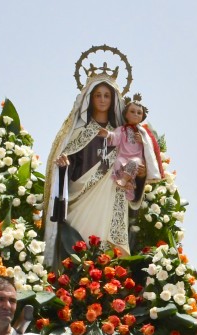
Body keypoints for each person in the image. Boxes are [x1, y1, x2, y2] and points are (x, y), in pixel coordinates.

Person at [46, 75, 137, 259]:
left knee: (107, 253)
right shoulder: (78, 133)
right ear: (90, 98)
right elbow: (64, 168)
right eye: (98, 95)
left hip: (110, 198)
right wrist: (63, 167)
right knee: (80, 249)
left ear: (113, 100)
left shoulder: (121, 135)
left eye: (106, 95)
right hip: (80, 200)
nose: (102, 100)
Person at [106, 101, 163, 201]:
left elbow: (149, 146)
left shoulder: (143, 132)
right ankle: (126, 184)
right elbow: (114, 138)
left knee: (135, 162)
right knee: (117, 162)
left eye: (139, 113)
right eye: (132, 111)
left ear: (142, 116)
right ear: (126, 114)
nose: (136, 114)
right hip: (123, 156)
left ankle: (125, 182)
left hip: (137, 159)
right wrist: (107, 135)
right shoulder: (121, 129)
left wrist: (143, 140)